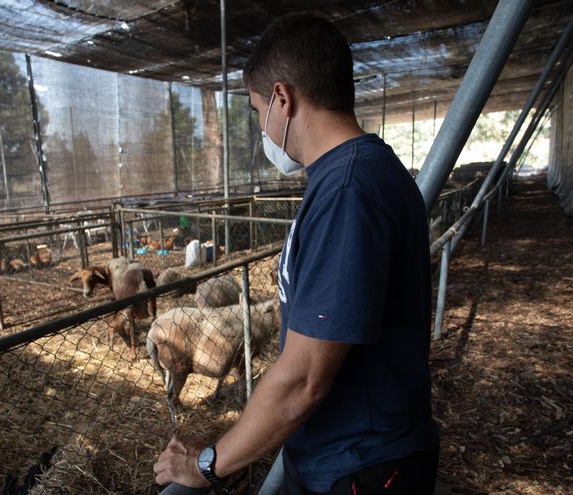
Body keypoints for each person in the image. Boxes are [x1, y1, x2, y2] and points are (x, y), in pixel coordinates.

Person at [154, 12, 439, 494]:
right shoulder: (350, 175)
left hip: (360, 467)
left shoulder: (349, 191)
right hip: (338, 453)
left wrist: (209, 463)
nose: (262, 127)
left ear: (282, 99)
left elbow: (304, 376)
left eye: (256, 109)